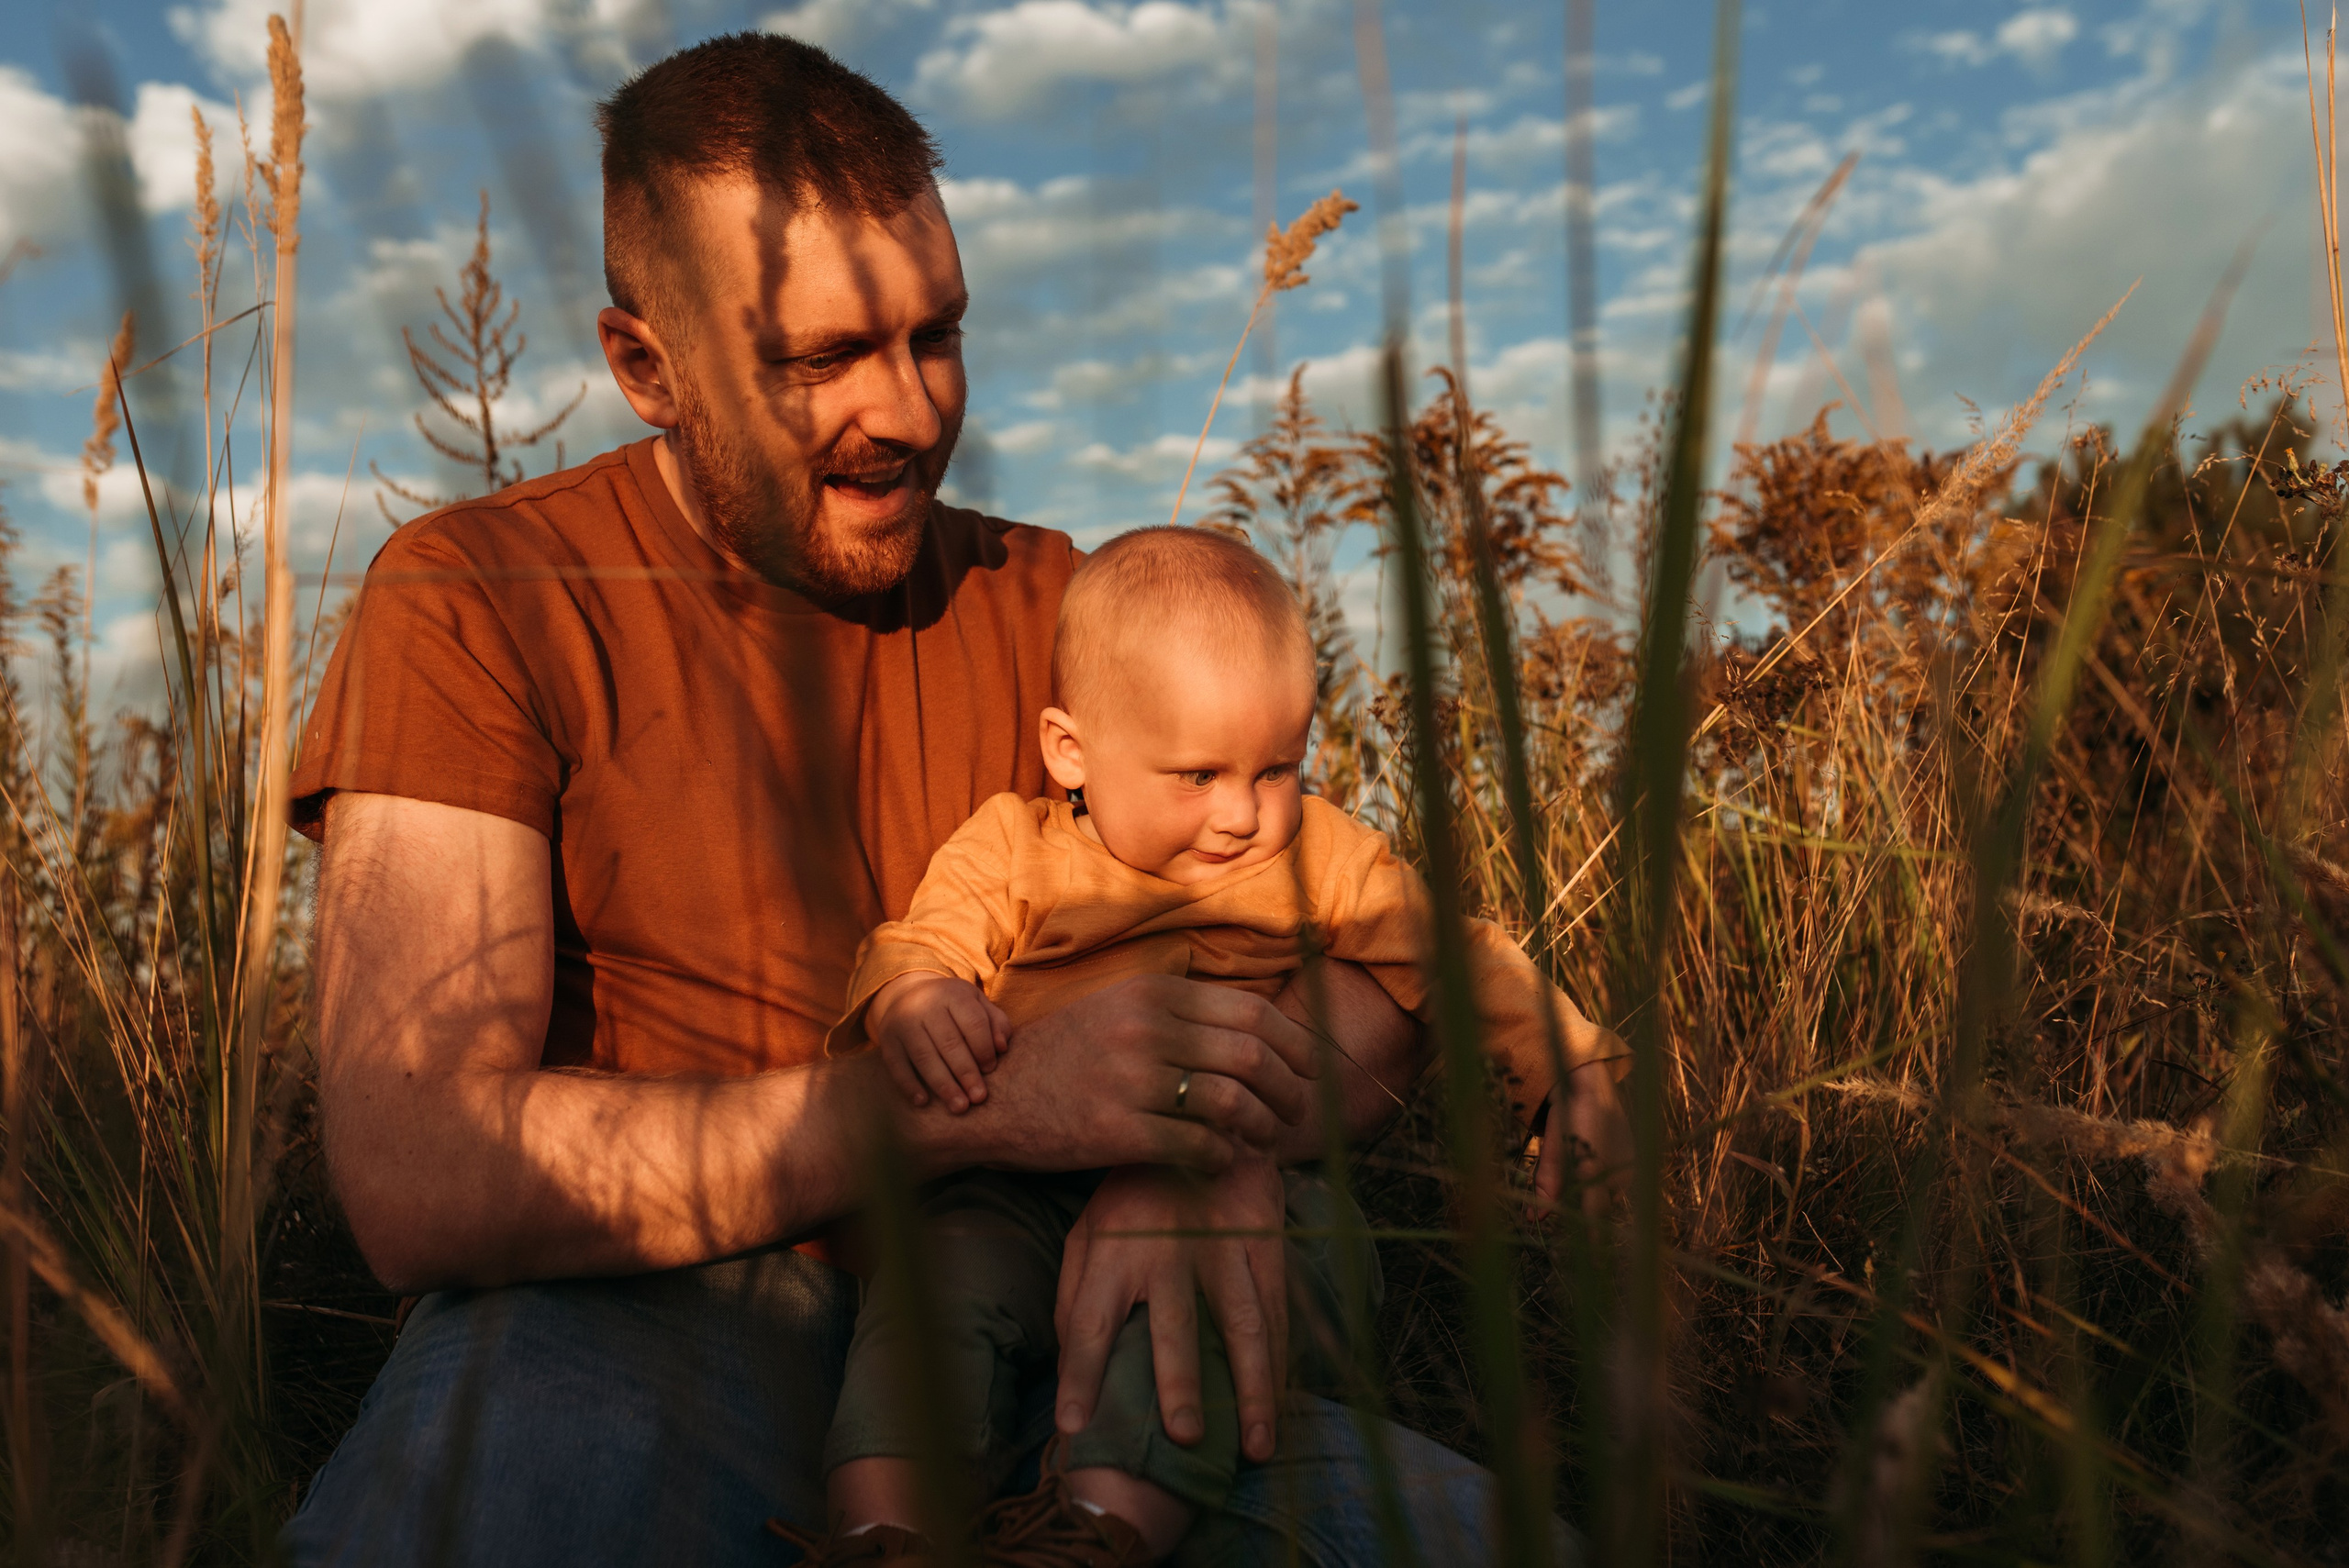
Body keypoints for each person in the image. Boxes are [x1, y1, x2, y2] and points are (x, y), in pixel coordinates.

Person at [275, 32, 1607, 1568]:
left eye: (937, 335)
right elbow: (420, 1172)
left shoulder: (1061, 601)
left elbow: (1353, 950)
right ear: (649, 365)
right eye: (819, 360)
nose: (906, 410)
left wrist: (1211, 1134)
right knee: (497, 1506)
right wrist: (997, 1109)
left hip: (1076, 1334)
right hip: (650, 1319)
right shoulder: (476, 598)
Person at [802, 527, 1631, 1566]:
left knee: (1195, 1312)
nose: (1243, 812)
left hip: (1258, 1197)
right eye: (1196, 772)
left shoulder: (1321, 854)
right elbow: (918, 943)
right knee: (935, 1283)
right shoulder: (1014, 850)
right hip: (1014, 1183)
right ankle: (884, 1530)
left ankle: (1092, 1531)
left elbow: (1459, 957)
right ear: (1073, 752)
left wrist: (1570, 1066)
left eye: (1277, 766)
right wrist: (917, 998)